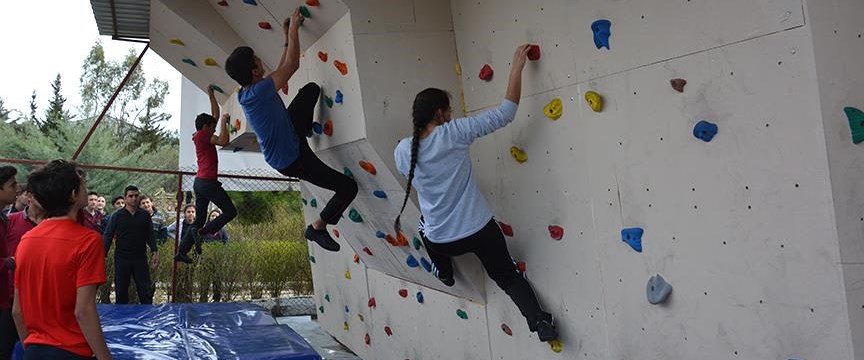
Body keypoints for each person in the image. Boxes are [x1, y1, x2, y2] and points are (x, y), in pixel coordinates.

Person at [393, 45, 558, 343]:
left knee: (424, 227)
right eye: (449, 110)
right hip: (480, 230)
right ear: (440, 113)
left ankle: (443, 272)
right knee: (508, 277)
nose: (451, 114)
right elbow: (506, 113)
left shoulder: (402, 151)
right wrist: (516, 68)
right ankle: (540, 322)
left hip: (442, 241)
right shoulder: (455, 133)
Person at [225, 7, 357, 252]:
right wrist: (295, 28)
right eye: (256, 59)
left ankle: (304, 129)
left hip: (290, 133)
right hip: (293, 160)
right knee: (349, 188)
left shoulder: (249, 90)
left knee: (310, 90)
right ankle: (318, 227)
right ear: (254, 71)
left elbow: (279, 71)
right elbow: (292, 65)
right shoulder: (258, 91)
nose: (259, 60)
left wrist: (287, 37)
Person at [12, 160, 111, 359]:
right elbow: (83, 310)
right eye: (83, 185)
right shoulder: (88, 241)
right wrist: (104, 357)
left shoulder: (26, 240)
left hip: (34, 350)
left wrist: (29, 347)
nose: (87, 189)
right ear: (73, 195)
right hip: (71, 350)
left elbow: (17, 310)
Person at [173, 85, 237, 264]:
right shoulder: (202, 136)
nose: (214, 127)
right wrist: (225, 122)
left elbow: (214, 115)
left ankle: (182, 252)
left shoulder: (200, 133)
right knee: (231, 211)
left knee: (198, 221)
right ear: (205, 127)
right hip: (208, 182)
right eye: (212, 126)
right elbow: (223, 140)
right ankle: (201, 232)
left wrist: (211, 95)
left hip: (200, 182)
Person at [0, 185, 45, 359]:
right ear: (29, 197)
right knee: (6, 347)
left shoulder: (51, 224)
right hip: (12, 295)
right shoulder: (10, 221)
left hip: (40, 297)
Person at [102, 186, 158, 305]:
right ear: (125, 198)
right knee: (121, 291)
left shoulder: (144, 215)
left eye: (136, 196)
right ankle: (121, 320)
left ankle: (147, 318)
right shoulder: (117, 216)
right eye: (130, 196)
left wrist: (155, 251)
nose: (133, 199)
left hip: (140, 258)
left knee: (145, 291)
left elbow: (150, 235)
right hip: (122, 258)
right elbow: (108, 235)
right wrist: (103, 255)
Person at [0, 166, 17, 360]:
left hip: (6, 295)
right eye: (11, 185)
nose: (16, 189)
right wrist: (10, 262)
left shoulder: (5, 219)